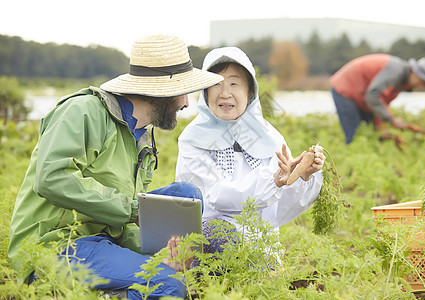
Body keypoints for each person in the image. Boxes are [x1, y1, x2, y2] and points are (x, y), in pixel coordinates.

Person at [8, 35, 223, 299]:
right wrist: (136, 210)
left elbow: (122, 223)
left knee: (186, 195)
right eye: (184, 91)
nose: (187, 103)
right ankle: (108, 291)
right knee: (167, 285)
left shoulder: (141, 137)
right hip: (59, 245)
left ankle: (166, 266)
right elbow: (52, 178)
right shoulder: (84, 111)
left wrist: (165, 251)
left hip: (104, 241)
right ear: (161, 90)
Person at [175, 47, 325, 254]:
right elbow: (217, 196)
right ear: (205, 92)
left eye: (234, 84)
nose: (225, 93)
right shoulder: (194, 139)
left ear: (250, 92)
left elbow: (280, 209)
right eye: (216, 84)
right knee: (218, 237)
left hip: (260, 254)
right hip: (211, 245)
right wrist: (273, 181)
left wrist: (301, 177)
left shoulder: (269, 137)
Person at [330, 54, 425, 144]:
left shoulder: (401, 82)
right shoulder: (395, 72)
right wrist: (392, 120)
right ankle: (350, 170)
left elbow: (379, 103)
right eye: (421, 82)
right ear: (414, 73)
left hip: (362, 97)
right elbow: (373, 95)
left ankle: (365, 167)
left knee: (372, 136)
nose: (419, 87)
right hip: (346, 89)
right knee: (356, 137)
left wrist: (381, 128)